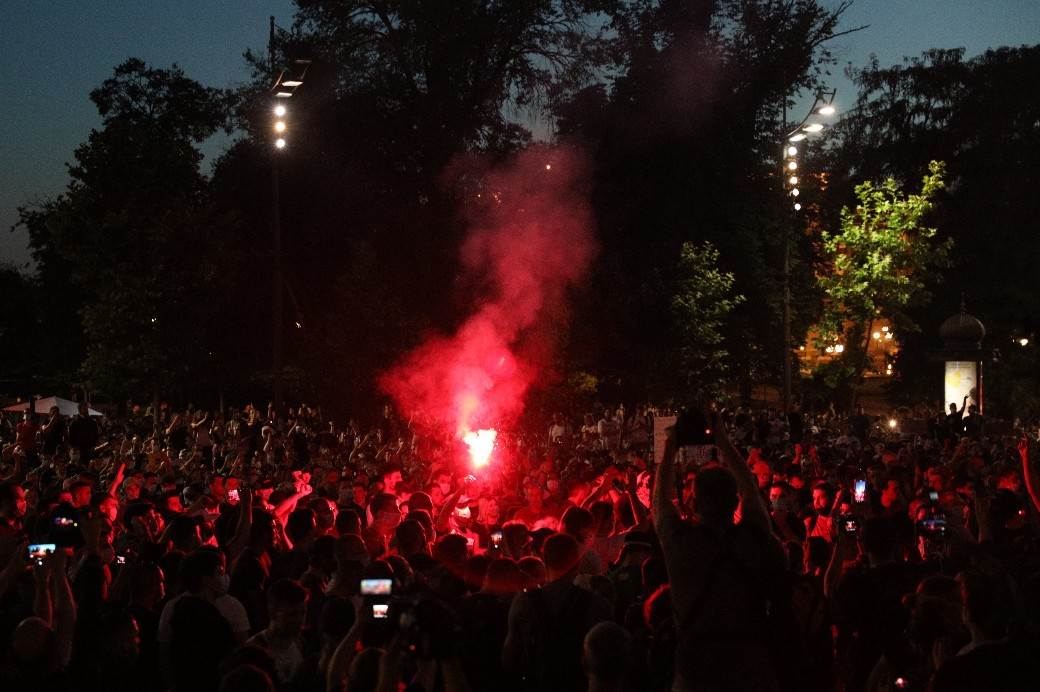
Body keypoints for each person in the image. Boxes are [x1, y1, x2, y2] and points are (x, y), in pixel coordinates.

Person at [653, 419, 786, 692]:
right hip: (751, 667)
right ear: (734, 501)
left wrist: (669, 447)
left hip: (696, 671)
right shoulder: (753, 537)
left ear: (695, 501)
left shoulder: (682, 544)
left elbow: (660, 502)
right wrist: (723, 442)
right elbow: (750, 487)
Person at [503, 533, 612, 691]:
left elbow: (509, 660)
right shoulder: (596, 604)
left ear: (544, 559)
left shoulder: (523, 603)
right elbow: (607, 665)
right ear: (578, 563)